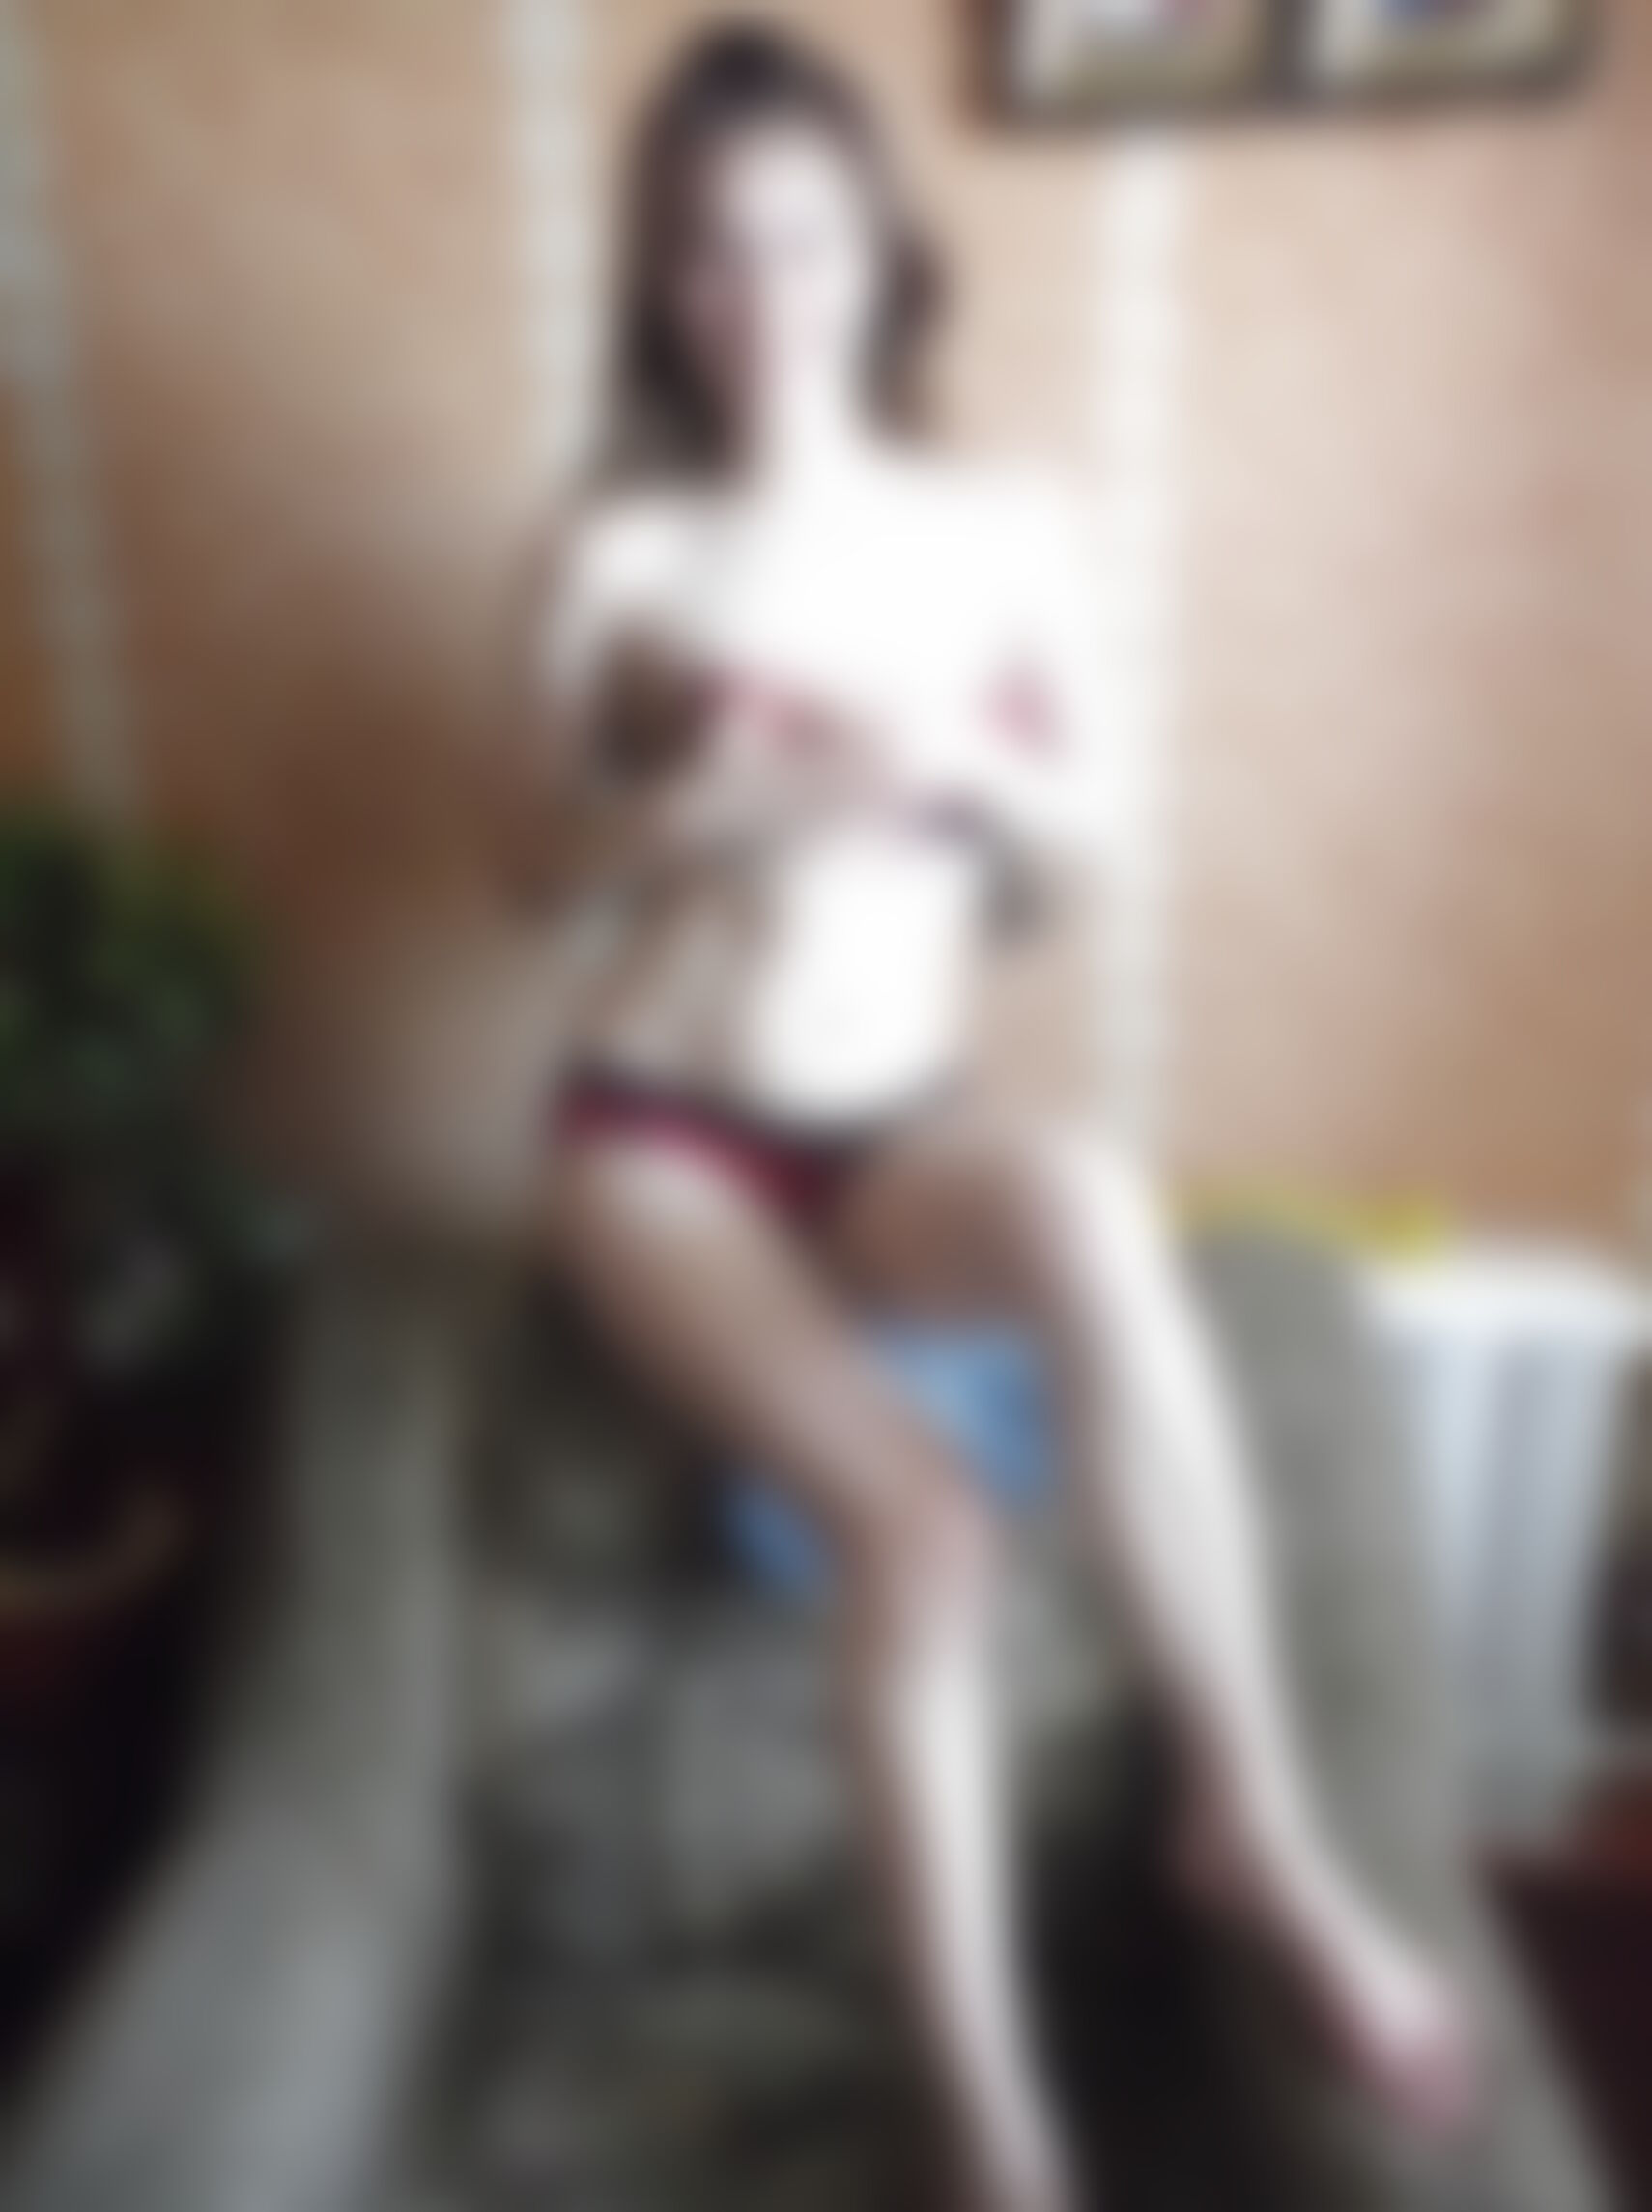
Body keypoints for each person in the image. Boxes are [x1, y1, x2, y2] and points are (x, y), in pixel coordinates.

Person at [498, 23, 1476, 2211]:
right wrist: (716, 797)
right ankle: (992, 2130)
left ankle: (1259, 1827)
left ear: (880, 253)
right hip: (663, 1135)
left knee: (1093, 1200)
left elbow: (1083, 845)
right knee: (923, 1530)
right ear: (656, 281)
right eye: (707, 250)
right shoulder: (612, 547)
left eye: (803, 239)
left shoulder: (1002, 527)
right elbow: (522, 865)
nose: (761, 293)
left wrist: (962, 759)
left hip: (898, 1113)